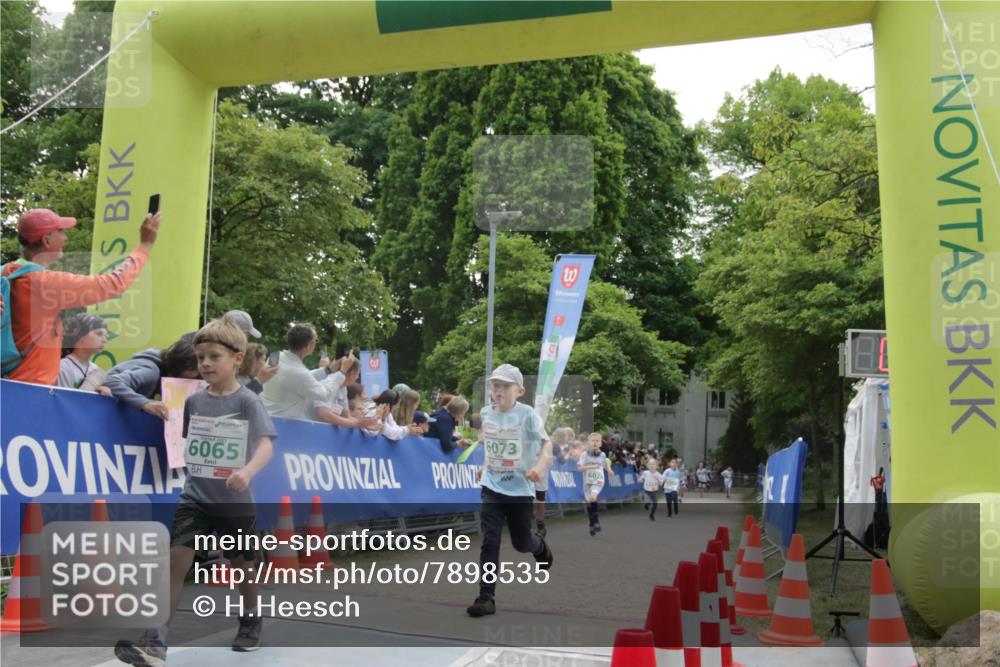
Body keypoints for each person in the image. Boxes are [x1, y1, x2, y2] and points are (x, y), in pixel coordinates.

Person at [114, 317, 276, 665]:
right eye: (200, 358)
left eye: (213, 357)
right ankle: (154, 641)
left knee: (243, 566)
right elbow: (192, 445)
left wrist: (247, 471)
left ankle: (251, 620)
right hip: (196, 499)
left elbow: (265, 446)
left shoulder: (248, 401)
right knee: (176, 561)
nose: (204, 364)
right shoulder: (193, 402)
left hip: (234, 502)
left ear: (237, 358)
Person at [2, 208, 160, 384]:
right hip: (32, 388)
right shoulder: (43, 282)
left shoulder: (6, 272)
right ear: (46, 240)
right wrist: (144, 246)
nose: (66, 238)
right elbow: (113, 283)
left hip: (8, 384)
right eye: (60, 231)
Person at [467, 364, 553, 618]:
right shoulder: (486, 413)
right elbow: (492, 447)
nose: (499, 390)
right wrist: (484, 466)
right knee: (490, 540)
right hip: (492, 488)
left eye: (505, 386)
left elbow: (547, 445)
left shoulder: (528, 415)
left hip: (520, 490)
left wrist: (538, 466)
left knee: (521, 542)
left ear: (519, 390)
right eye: (495, 385)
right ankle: (486, 597)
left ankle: (539, 547)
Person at [260, 323, 377, 429]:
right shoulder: (299, 372)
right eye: (315, 341)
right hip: (282, 426)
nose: (316, 344)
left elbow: (301, 378)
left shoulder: (276, 356)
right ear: (308, 346)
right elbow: (324, 394)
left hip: (266, 417)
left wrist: (328, 369)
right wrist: (342, 371)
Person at [102, 338, 200, 419]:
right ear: (179, 368)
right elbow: (111, 380)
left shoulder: (163, 372)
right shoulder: (151, 371)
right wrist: (145, 403)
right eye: (188, 377)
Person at [57, 313, 109, 391]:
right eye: (99, 334)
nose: (104, 340)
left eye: (106, 336)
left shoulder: (95, 369)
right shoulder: (63, 368)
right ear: (80, 336)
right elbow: (64, 401)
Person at [578, 432, 607, 536]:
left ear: (600, 443)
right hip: (587, 481)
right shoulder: (584, 455)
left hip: (598, 480)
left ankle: (596, 522)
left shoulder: (603, 455)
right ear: (588, 443)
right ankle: (592, 523)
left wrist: (610, 470)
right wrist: (590, 467)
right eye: (593, 441)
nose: (595, 443)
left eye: (597, 441)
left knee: (593, 497)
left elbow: (605, 465)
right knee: (589, 502)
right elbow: (580, 468)